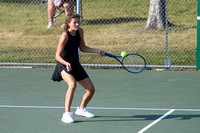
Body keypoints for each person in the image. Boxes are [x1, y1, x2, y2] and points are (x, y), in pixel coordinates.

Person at [51, 12, 105, 123]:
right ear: (68, 23)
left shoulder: (80, 31)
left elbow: (83, 47)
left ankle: (81, 109)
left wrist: (97, 51)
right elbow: (57, 55)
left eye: (78, 22)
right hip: (63, 65)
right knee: (72, 84)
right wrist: (66, 63)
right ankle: (66, 114)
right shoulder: (65, 36)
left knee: (91, 90)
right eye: (74, 22)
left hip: (75, 64)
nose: (77, 24)